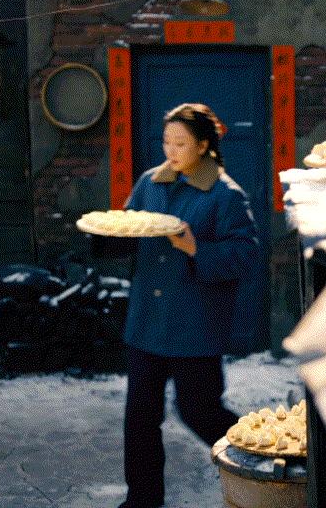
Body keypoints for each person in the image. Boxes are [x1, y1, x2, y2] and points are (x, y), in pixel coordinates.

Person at [117, 103, 259, 508]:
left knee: (200, 412)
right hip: (147, 321)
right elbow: (129, 226)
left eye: (180, 143)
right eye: (166, 142)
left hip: (194, 324)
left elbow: (246, 254)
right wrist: (106, 234)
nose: (171, 151)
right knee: (140, 419)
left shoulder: (224, 194)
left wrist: (197, 247)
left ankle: (261, 464)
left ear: (202, 145)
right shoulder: (150, 182)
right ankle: (142, 499)